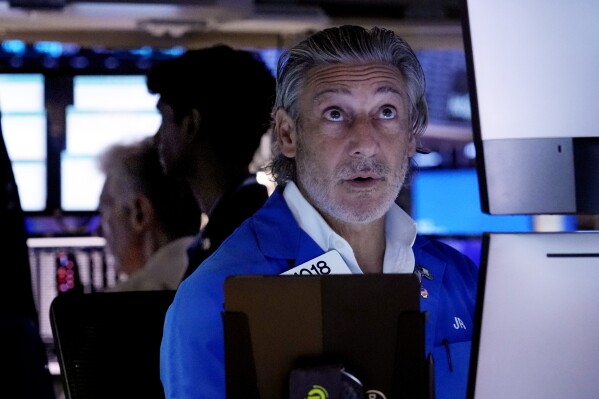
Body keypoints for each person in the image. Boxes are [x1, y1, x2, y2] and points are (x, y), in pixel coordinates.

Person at [160, 25, 478, 399]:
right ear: (288, 135)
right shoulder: (215, 299)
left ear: (411, 134)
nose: (365, 143)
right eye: (335, 114)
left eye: (387, 112)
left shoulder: (462, 281)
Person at [146, 45, 276, 280]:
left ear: (191, 126)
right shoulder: (251, 222)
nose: (156, 139)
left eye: (163, 120)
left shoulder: (230, 241)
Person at [98, 136, 201, 291]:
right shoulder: (229, 285)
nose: (98, 230)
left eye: (105, 212)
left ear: (139, 213)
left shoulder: (109, 308)